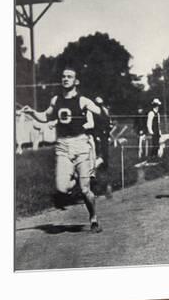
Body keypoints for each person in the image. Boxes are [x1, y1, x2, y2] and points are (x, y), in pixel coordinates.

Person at [21, 67, 106, 233]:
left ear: (76, 81)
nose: (65, 79)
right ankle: (76, 177)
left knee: (85, 190)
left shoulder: (82, 100)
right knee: (61, 188)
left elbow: (100, 114)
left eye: (69, 76)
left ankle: (93, 217)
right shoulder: (56, 100)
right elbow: (46, 116)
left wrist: (98, 111)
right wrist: (31, 112)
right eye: (63, 76)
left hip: (81, 145)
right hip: (63, 146)